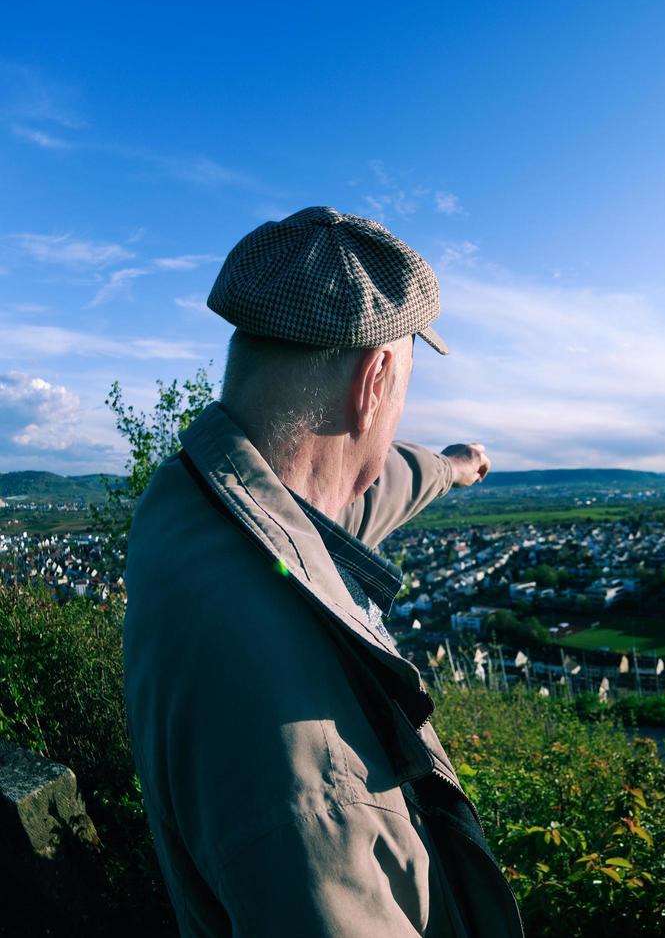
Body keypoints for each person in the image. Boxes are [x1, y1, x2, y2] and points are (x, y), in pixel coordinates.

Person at [123, 206, 524, 937]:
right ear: (375, 379)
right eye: (404, 382)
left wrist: (451, 467)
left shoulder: (187, 504)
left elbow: (360, 493)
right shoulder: (314, 776)